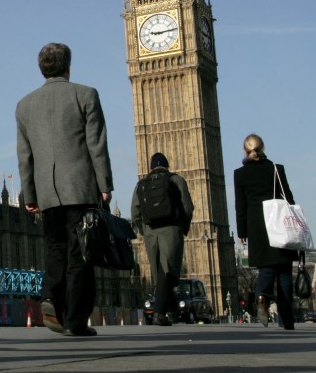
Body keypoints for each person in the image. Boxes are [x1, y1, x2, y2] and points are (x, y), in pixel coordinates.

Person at [16, 42, 113, 337]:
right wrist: (105, 185)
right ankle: (75, 320)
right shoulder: (85, 95)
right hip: (80, 188)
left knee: (56, 249)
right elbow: (96, 144)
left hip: (46, 193)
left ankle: (48, 297)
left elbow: (25, 156)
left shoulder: (25, 105)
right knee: (79, 253)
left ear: (41, 69)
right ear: (68, 66)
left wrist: (29, 195)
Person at [235, 133, 298, 330]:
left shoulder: (240, 173)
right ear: (263, 148)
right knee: (285, 273)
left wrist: (242, 231)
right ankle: (287, 321)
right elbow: (288, 198)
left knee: (266, 269)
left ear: (245, 150)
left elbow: (241, 206)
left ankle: (262, 295)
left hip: (257, 225)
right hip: (279, 223)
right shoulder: (276, 169)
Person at [131, 152, 194, 326]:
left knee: (159, 271)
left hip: (150, 231)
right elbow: (187, 207)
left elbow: (135, 213)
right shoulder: (176, 180)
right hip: (171, 229)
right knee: (168, 270)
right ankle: (159, 313)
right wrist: (183, 227)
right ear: (167, 166)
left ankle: (172, 310)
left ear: (151, 168)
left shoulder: (141, 184)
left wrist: (145, 231)